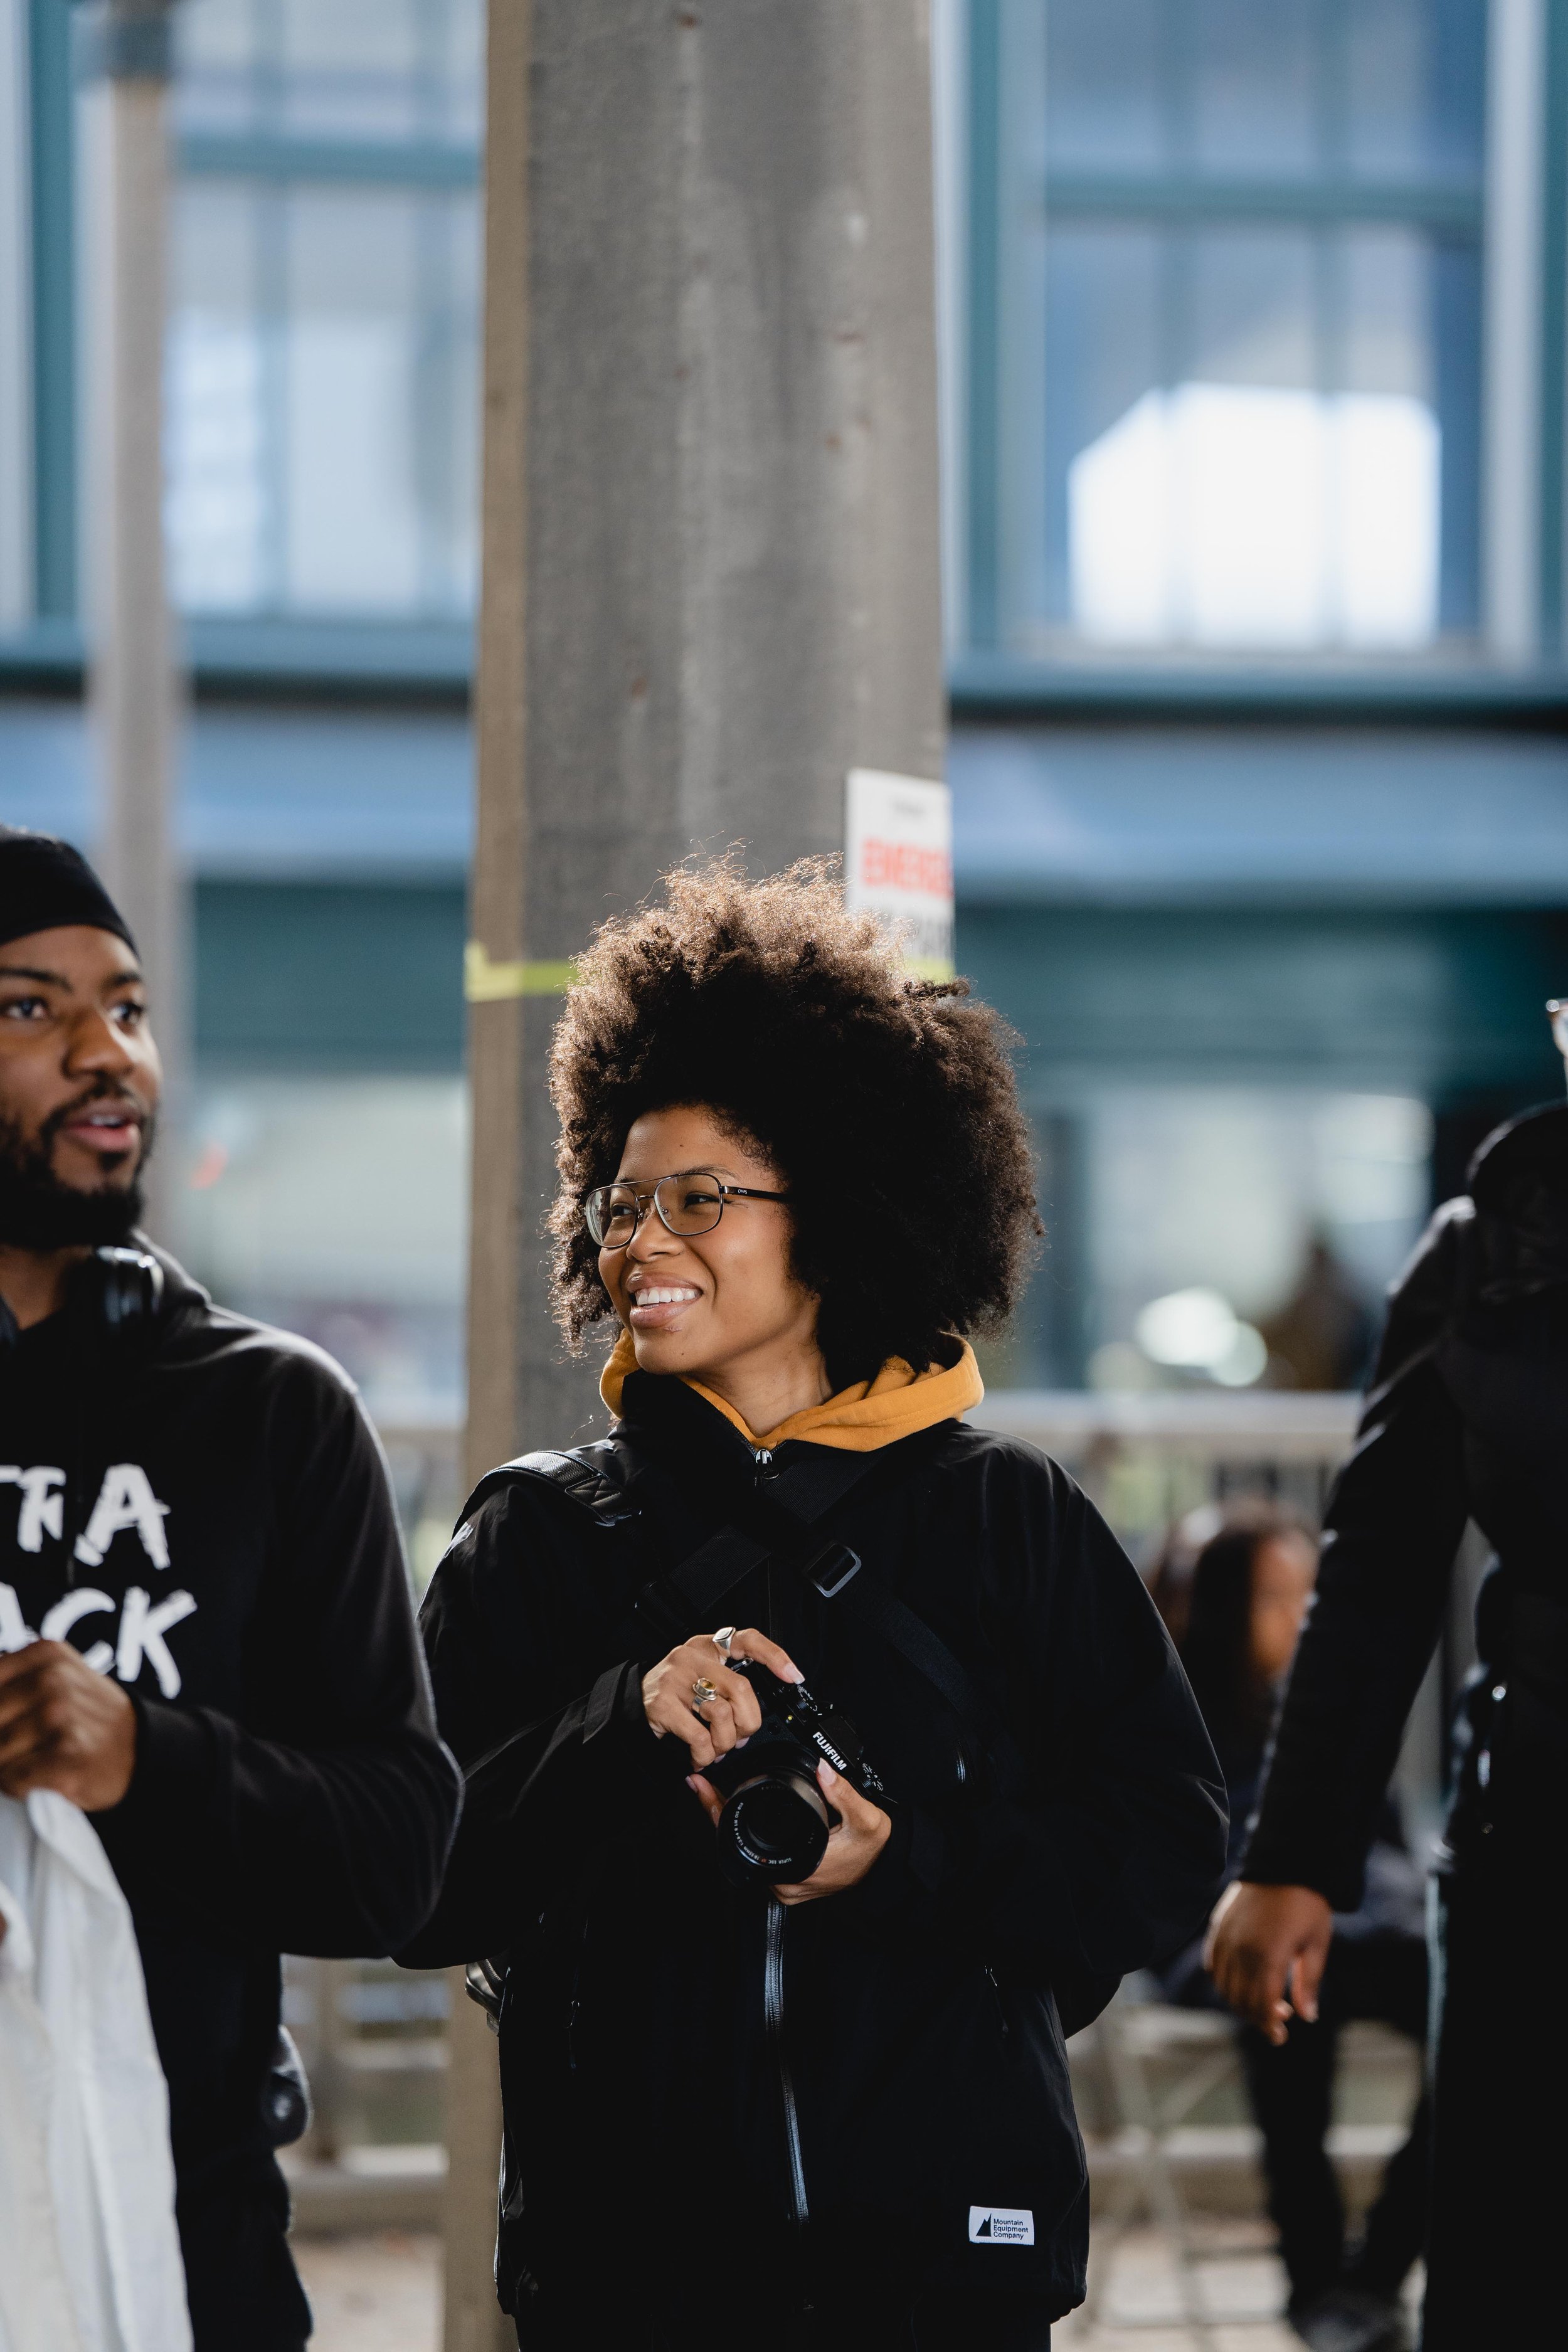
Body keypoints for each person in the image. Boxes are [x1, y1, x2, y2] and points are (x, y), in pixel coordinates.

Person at [400, 861, 1228, 2351]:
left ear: (838, 1209)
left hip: (949, 2280)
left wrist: (905, 1861)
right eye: (619, 1198)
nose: (637, 1241)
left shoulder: (1008, 1519)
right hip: (626, 2285)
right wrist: (613, 1723)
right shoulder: (539, 1532)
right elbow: (406, 1876)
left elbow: (1164, 1859)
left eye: (697, 1198)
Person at [0, 827, 460, 2351]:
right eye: (30, 1009)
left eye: (123, 1007)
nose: (102, 1054)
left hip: (188, 2250)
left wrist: (144, 1758)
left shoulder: (268, 1411)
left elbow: (399, 1853)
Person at [1206, 999, 1568, 2348]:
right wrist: (1287, 1856)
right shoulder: (1487, 1256)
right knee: (1512, 2270)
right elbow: (1373, 1571)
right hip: (1538, 1839)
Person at [1157, 1504, 1426, 2352]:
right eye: (1274, 1594)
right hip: (1224, 1942)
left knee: (1493, 2008)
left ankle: (1371, 2273)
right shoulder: (1166, 1715)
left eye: (1308, 1593)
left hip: (1366, 1933)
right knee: (1285, 1983)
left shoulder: (1315, 1722)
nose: (1300, 1615)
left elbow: (1387, 1852)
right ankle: (1321, 2283)